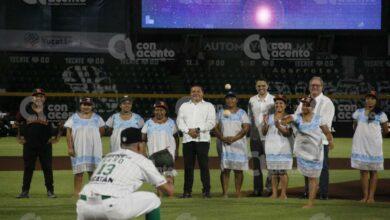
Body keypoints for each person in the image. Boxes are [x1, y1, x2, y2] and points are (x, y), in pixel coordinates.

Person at [76, 127, 174, 220]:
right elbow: (169, 191)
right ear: (140, 145)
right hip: (111, 205)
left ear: (121, 144)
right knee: (153, 199)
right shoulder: (142, 160)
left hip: (83, 204)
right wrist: (168, 178)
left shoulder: (107, 157)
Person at [284, 96, 334, 208]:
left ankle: (310, 203)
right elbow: (284, 120)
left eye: (307, 105)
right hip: (303, 153)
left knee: (313, 177)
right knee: (308, 176)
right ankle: (310, 199)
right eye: (303, 104)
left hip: (315, 153)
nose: (304, 107)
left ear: (313, 107)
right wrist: (281, 121)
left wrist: (330, 141)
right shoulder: (296, 117)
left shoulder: (319, 119)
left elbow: (327, 132)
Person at [16, 88, 61, 199]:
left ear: (44, 98)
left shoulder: (50, 111)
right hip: (29, 144)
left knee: (47, 168)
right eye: (36, 96)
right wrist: (19, 137)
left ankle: (50, 191)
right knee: (28, 168)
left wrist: (57, 138)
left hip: (45, 145)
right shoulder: (25, 110)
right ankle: (25, 191)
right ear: (32, 98)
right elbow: (16, 123)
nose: (39, 98)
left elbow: (60, 124)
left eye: (41, 96)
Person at [295, 76, 335, 200]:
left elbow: (326, 124)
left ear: (322, 87)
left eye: (317, 85)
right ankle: (307, 192)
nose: (315, 87)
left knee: (322, 167)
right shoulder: (304, 100)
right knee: (307, 166)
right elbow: (297, 117)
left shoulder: (327, 102)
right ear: (309, 87)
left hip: (320, 141)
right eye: (313, 85)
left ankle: (323, 193)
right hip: (306, 141)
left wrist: (308, 130)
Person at [177, 85, 216, 198]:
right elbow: (180, 122)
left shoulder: (209, 106)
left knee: (204, 166)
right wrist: (188, 131)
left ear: (202, 93)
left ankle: (206, 191)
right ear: (190, 93)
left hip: (203, 139)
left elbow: (211, 122)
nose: (195, 93)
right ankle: (187, 192)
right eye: (193, 91)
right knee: (188, 167)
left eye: (198, 91)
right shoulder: (184, 106)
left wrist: (198, 129)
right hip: (187, 140)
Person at [351, 91, 389, 203]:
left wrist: (376, 138)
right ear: (365, 99)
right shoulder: (359, 112)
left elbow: (386, 130)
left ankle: (371, 197)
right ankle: (365, 196)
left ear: (376, 101)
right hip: (361, 145)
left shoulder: (381, 114)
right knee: (363, 171)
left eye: (372, 98)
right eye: (368, 98)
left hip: (374, 146)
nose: (370, 100)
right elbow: (355, 126)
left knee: (373, 171)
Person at [64, 97, 105, 197]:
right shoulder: (73, 118)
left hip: (94, 150)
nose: (86, 107)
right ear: (80, 105)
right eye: (84, 104)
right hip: (79, 149)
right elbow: (68, 133)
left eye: (88, 105)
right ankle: (77, 193)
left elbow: (101, 131)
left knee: (93, 173)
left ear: (92, 106)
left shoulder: (97, 118)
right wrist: (70, 147)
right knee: (79, 173)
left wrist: (93, 140)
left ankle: (93, 193)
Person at [214, 91, 250, 198]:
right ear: (225, 100)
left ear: (236, 100)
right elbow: (214, 127)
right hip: (225, 144)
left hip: (239, 145)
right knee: (225, 169)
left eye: (233, 98)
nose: (230, 100)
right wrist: (222, 138)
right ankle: (225, 193)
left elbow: (246, 128)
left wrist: (234, 138)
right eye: (228, 98)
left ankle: (237, 192)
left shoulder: (242, 113)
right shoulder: (220, 113)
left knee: (238, 170)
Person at [142, 101, 179, 197]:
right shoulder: (148, 123)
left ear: (165, 111)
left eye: (161, 110)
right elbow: (143, 139)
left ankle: (170, 195)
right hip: (154, 153)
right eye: (157, 110)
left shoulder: (171, 122)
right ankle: (160, 195)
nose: (159, 112)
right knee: (157, 176)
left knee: (169, 175)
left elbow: (176, 137)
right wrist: (143, 153)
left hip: (168, 152)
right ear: (154, 111)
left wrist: (176, 151)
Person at [262, 94, 293, 200]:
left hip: (283, 148)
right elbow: (264, 132)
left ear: (285, 105)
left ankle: (283, 194)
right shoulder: (269, 117)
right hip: (271, 147)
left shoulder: (288, 118)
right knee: (274, 173)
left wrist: (278, 126)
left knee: (282, 172)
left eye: (281, 103)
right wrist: (265, 124)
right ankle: (274, 194)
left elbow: (288, 133)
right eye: (276, 103)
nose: (278, 105)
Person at [248, 80, 274, 196]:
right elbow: (250, 117)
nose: (261, 87)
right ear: (255, 87)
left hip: (270, 136)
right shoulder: (252, 100)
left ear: (267, 86)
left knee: (271, 164)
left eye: (263, 85)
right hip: (255, 136)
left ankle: (269, 189)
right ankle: (257, 189)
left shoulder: (273, 99)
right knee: (256, 164)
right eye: (258, 86)